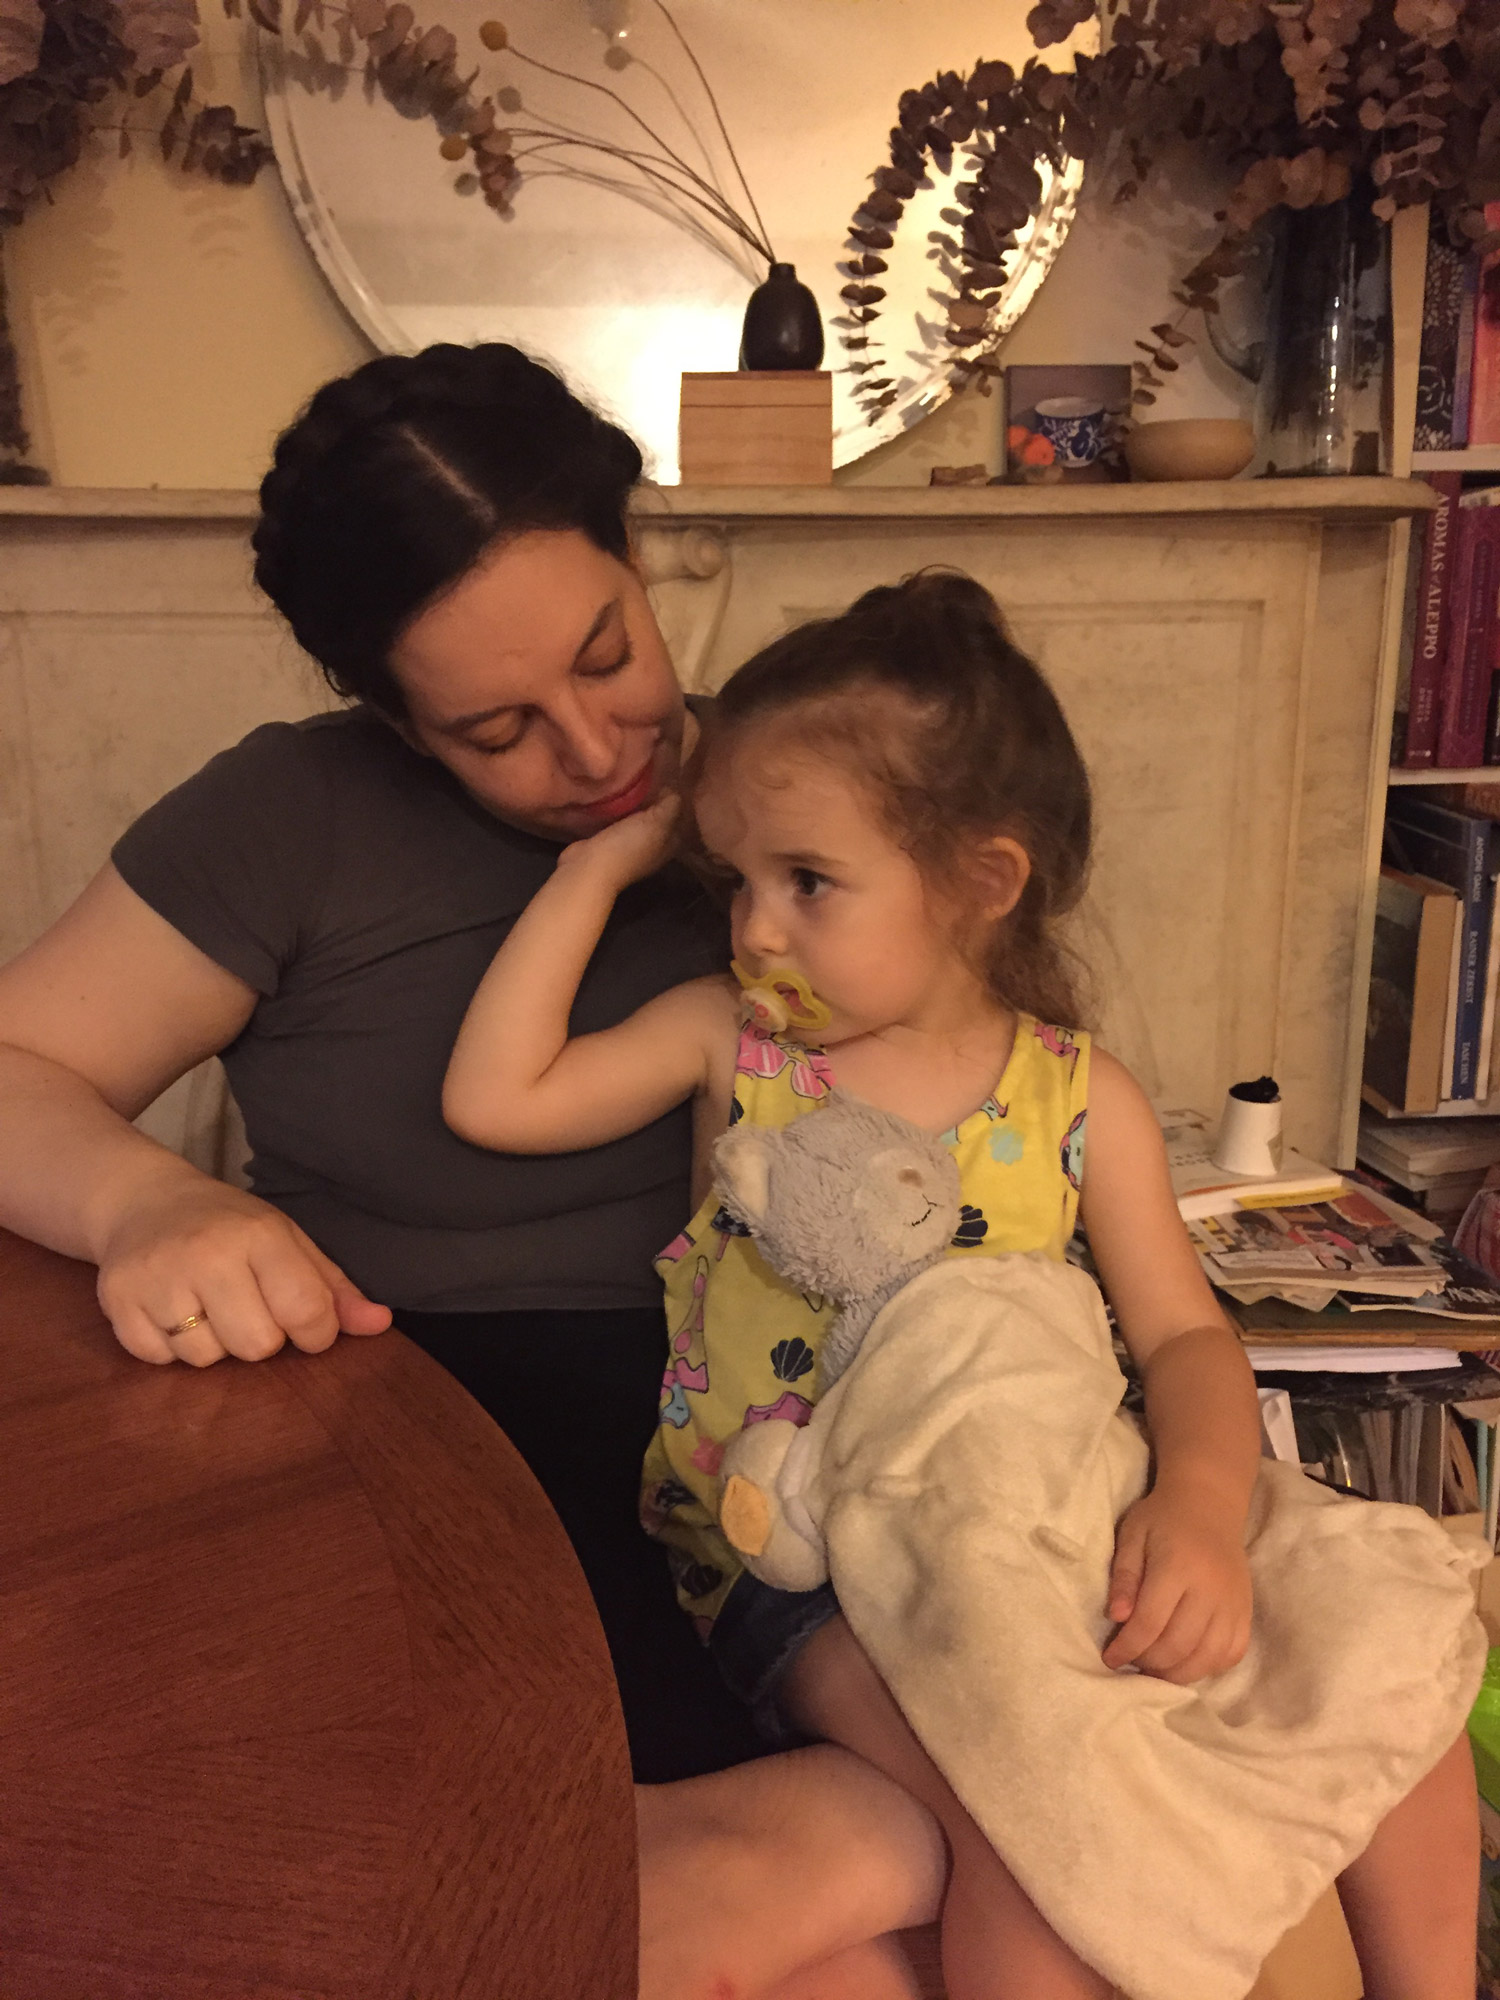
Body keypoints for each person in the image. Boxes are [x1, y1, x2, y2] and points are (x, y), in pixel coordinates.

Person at [444, 570, 1481, 2000]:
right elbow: (497, 1097)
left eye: (806, 883)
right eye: (733, 879)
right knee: (1035, 1819)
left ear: (980, 884)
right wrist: (597, 870)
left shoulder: (1076, 1093)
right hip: (798, 1561)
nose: (753, 930)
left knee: (1388, 1654)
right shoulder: (728, 1047)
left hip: (1047, 1509)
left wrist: (1196, 1512)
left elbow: (1182, 1336)